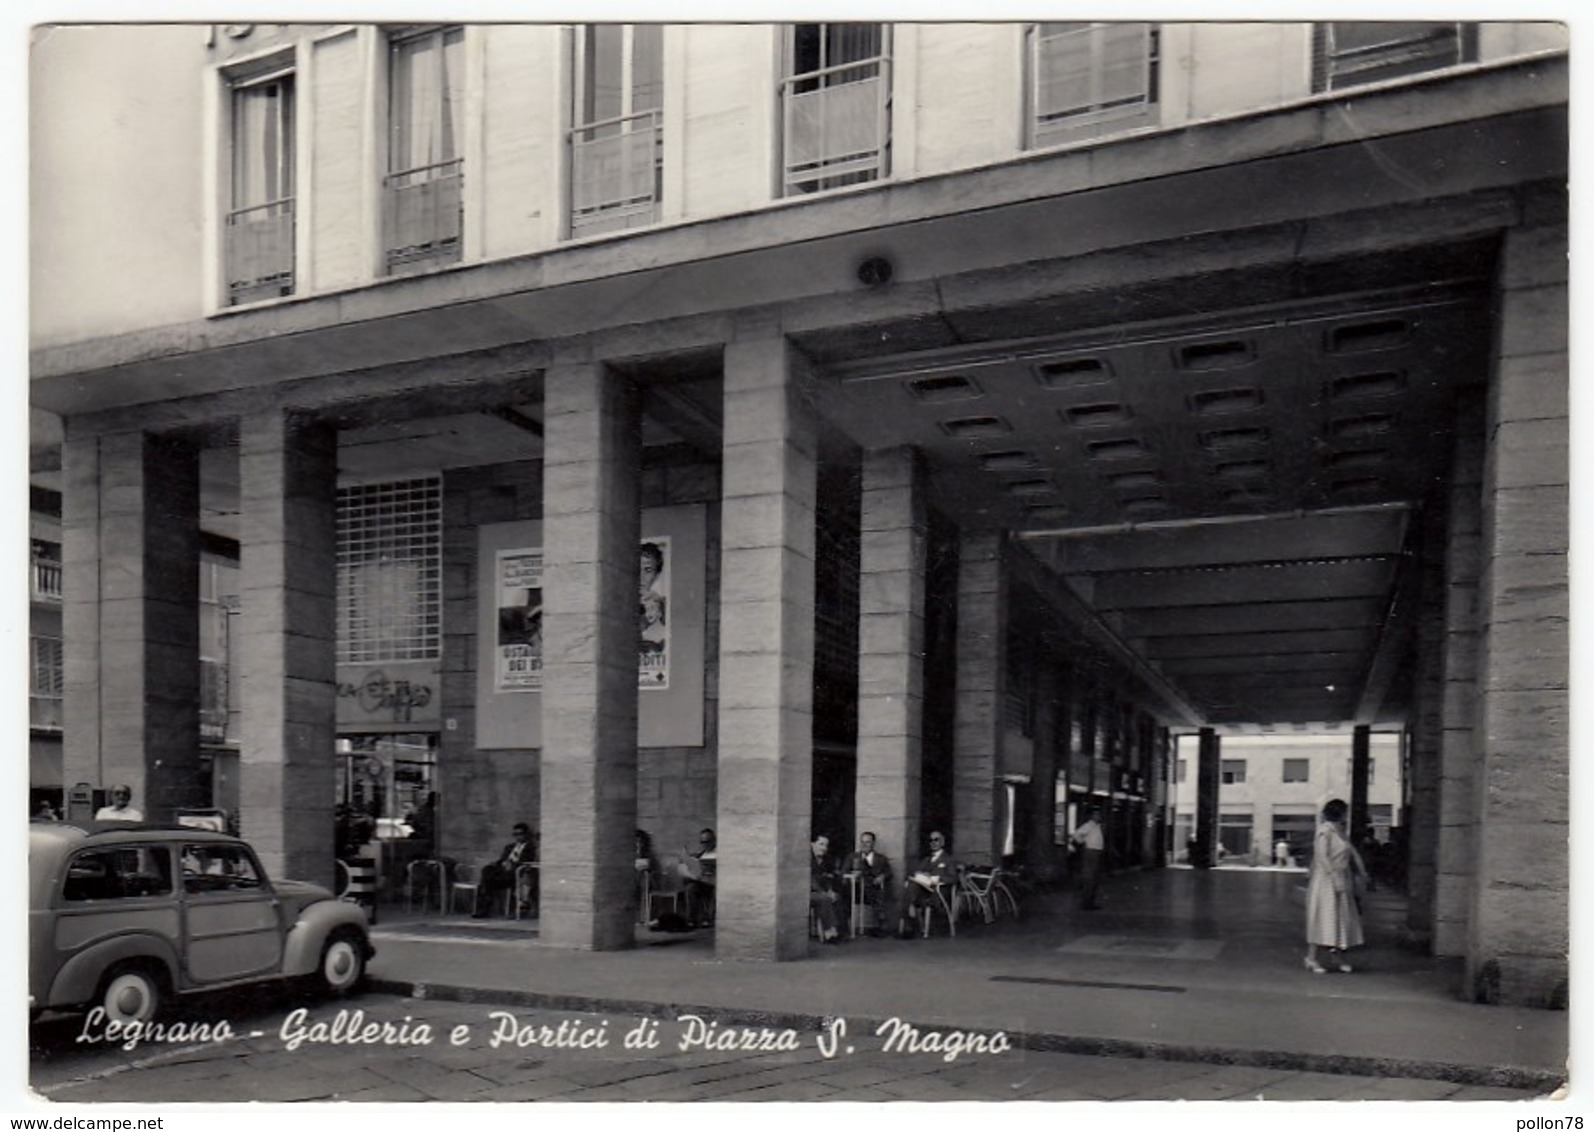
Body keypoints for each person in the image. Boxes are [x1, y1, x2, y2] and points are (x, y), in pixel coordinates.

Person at [1304, 798, 1368, 974]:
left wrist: (1361, 870)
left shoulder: (1340, 831)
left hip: (1342, 876)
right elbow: (1322, 857)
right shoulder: (1324, 831)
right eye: (1345, 812)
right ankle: (1311, 957)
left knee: (1341, 918)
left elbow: (1351, 851)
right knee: (1324, 917)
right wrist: (1334, 878)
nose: (1347, 815)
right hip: (1326, 880)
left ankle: (1337, 955)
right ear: (1339, 813)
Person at [897, 831, 958, 938]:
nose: (933, 843)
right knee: (912, 884)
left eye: (936, 840)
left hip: (939, 892)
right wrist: (920, 875)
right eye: (931, 840)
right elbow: (916, 873)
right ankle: (910, 916)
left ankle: (908, 921)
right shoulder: (926, 860)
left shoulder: (949, 859)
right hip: (923, 891)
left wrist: (936, 878)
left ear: (942, 842)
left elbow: (953, 878)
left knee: (911, 890)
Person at [474, 822, 537, 918]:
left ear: (525, 834)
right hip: (503, 873)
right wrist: (500, 864)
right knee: (487, 872)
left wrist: (513, 865)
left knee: (486, 883)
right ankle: (483, 909)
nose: (517, 837)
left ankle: (485, 907)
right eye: (515, 834)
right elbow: (502, 860)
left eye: (520, 834)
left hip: (516, 874)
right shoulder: (509, 847)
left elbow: (527, 862)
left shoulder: (530, 848)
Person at [845, 830, 894, 937]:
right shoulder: (852, 857)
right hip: (856, 889)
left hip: (874, 888)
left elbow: (889, 872)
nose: (864, 845)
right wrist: (853, 875)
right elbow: (844, 872)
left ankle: (879, 925)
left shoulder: (881, 859)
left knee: (879, 894)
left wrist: (882, 876)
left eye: (867, 842)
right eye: (862, 842)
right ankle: (847, 926)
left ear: (873, 843)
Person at [809, 834, 845, 943]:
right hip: (805, 892)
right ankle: (829, 933)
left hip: (819, 891)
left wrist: (830, 890)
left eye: (826, 845)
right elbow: (810, 880)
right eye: (821, 844)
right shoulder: (806, 858)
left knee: (837, 897)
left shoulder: (824, 860)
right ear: (812, 844)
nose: (824, 848)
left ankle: (841, 931)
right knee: (824, 899)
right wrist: (824, 892)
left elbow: (825, 878)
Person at [1070, 806, 1105, 910]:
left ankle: (1090, 902)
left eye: (1099, 815)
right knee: (1089, 878)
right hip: (1090, 852)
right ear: (1091, 816)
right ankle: (1086, 902)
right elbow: (1077, 834)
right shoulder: (1088, 825)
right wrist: (1083, 843)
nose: (1098, 816)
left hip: (1096, 852)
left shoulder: (1097, 826)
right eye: (1096, 814)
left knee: (1094, 878)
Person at [682, 828, 717, 928]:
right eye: (702, 842)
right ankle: (691, 920)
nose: (704, 844)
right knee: (690, 888)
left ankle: (708, 919)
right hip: (702, 882)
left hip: (715, 882)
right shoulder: (700, 854)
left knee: (716, 890)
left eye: (707, 841)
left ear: (714, 841)